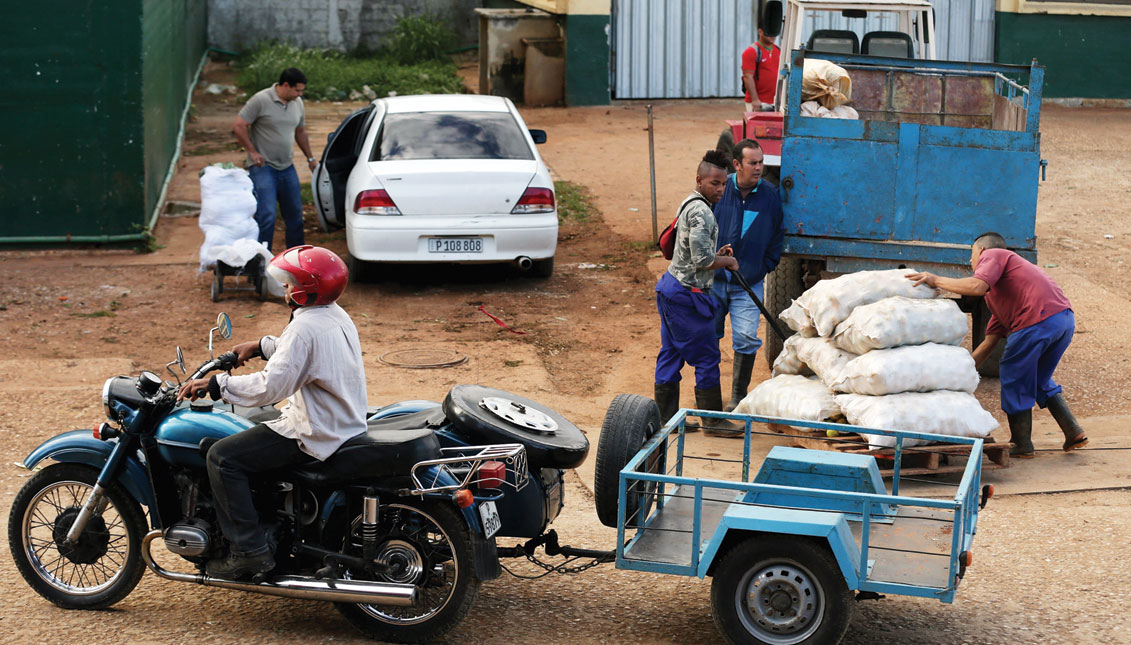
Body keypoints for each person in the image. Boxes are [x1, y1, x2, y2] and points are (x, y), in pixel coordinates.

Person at [177, 245, 367, 579]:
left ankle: (249, 553)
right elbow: (301, 356)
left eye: (290, 282)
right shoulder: (334, 314)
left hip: (315, 430)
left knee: (223, 457)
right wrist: (261, 346)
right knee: (254, 431)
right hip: (341, 420)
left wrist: (217, 385)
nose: (285, 287)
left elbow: (270, 387)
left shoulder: (305, 327)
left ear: (307, 290)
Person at [908, 232, 1087, 458]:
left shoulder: (994, 254)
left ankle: (1022, 444)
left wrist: (936, 280)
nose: (971, 262)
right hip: (1062, 321)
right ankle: (1073, 431)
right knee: (1039, 379)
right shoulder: (1002, 295)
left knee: (1013, 374)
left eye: (971, 256)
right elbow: (989, 341)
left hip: (1036, 321)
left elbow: (976, 286)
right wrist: (959, 373)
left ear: (981, 251)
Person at [654, 150, 743, 436]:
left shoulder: (689, 203)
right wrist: (726, 261)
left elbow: (694, 252)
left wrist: (716, 253)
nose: (719, 189)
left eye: (723, 184)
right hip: (686, 296)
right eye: (714, 183)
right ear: (699, 180)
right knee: (707, 357)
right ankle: (713, 421)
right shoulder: (703, 212)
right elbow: (702, 261)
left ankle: (666, 421)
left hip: (670, 287)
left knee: (670, 353)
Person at [712, 139, 784, 413]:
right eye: (752, 163)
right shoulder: (719, 189)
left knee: (745, 337)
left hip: (748, 283)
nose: (758, 168)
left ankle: (736, 398)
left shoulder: (769, 195)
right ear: (737, 164)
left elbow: (777, 234)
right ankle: (709, 397)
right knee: (708, 336)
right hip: (714, 281)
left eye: (761, 162)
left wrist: (764, 265)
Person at [233, 67, 319, 252]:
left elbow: (300, 131)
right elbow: (239, 125)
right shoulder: (261, 100)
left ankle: (296, 259)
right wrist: (252, 152)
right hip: (264, 167)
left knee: (295, 215)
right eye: (297, 90)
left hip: (287, 167)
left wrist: (310, 158)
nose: (300, 94)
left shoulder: (298, 103)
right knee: (267, 215)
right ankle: (262, 259)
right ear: (285, 85)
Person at [741, 27, 781, 112]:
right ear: (760, 31)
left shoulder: (779, 51)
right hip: (759, 103)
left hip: (775, 102)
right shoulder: (752, 51)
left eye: (774, 33)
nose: (772, 36)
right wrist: (755, 100)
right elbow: (748, 77)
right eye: (769, 33)